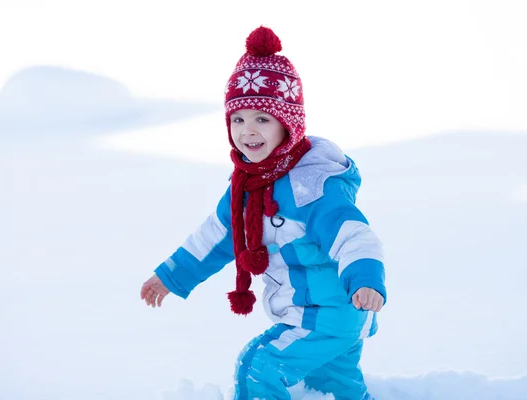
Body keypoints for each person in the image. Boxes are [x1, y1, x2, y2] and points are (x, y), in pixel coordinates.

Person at [140, 26, 386, 400]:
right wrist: (169, 277)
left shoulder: (311, 184)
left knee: (258, 366)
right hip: (329, 318)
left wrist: (366, 279)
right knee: (332, 388)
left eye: (262, 119)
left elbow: (354, 235)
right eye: (238, 120)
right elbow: (215, 237)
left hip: (327, 314)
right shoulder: (247, 184)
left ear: (287, 124)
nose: (247, 131)